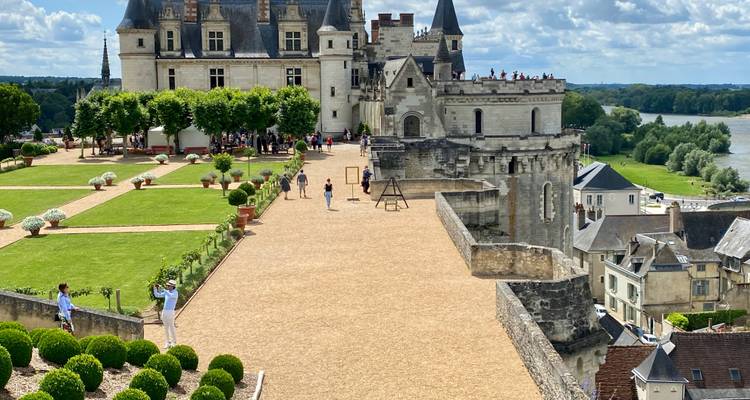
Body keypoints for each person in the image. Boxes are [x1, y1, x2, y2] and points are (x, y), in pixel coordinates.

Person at [153, 279, 179, 349]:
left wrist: (163, 289)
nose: (167, 286)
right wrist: (155, 288)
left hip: (170, 312)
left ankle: (174, 342)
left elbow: (170, 296)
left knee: (171, 327)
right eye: (167, 285)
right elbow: (157, 295)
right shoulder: (167, 292)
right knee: (166, 328)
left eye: (168, 286)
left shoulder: (175, 293)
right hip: (164, 312)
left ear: (172, 286)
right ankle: (168, 342)